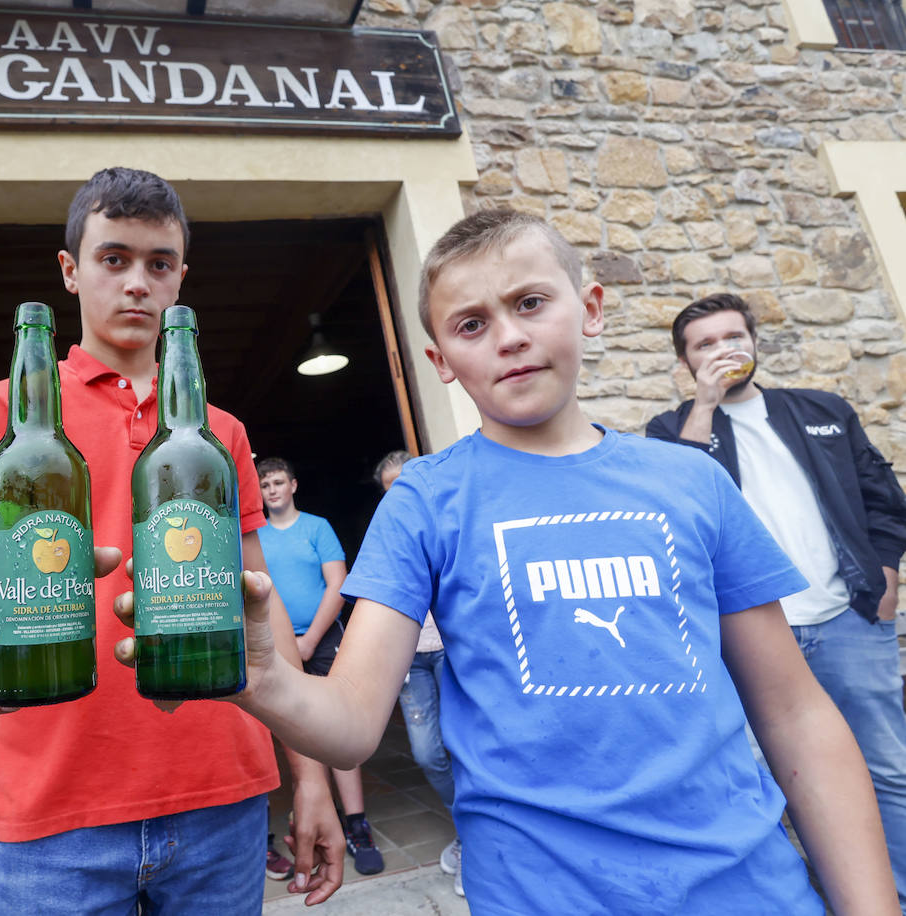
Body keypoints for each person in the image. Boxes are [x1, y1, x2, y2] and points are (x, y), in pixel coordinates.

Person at [114, 207, 899, 915]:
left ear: (588, 309)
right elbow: (353, 724)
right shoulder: (425, 500)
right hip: (537, 896)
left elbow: (795, 715)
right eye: (471, 324)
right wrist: (268, 678)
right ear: (440, 359)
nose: (509, 336)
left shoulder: (690, 480)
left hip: (747, 888)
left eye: (529, 303)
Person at [0, 166, 344, 913]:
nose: (136, 284)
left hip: (223, 791)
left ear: (181, 279)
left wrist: (310, 774)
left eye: (159, 265)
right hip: (55, 807)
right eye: (113, 258)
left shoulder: (221, 431)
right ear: (70, 270)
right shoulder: (4, 412)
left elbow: (262, 602)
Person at [646, 291, 906, 912]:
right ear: (686, 363)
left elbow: (882, 496)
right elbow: (678, 508)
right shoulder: (671, 432)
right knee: (793, 780)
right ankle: (843, 893)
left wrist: (888, 578)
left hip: (847, 621)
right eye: (704, 345)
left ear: (754, 343)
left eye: (733, 337)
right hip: (759, 641)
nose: (724, 351)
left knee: (889, 771)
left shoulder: (822, 410)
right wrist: (705, 406)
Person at [255, 457, 384, 877]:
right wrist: (288, 645)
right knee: (282, 737)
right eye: (264, 484)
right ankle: (284, 829)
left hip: (322, 639)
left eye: (277, 482)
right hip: (270, 646)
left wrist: (309, 641)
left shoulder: (317, 527)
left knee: (337, 731)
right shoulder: (251, 535)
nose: (271, 490)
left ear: (293, 485)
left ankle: (356, 825)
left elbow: (338, 582)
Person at [375, 448, 462, 896]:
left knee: (467, 745)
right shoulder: (388, 535)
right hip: (412, 657)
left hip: (453, 651)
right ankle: (470, 826)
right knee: (428, 752)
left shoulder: (453, 519)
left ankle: (474, 841)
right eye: (392, 489)